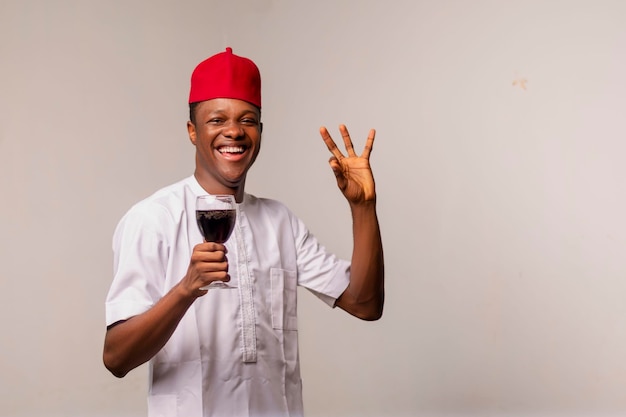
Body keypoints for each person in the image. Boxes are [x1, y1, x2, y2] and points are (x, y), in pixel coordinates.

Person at [103, 47, 384, 417]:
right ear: (192, 130)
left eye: (247, 120)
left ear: (260, 132)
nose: (234, 131)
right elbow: (116, 357)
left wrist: (363, 208)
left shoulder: (279, 221)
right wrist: (186, 290)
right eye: (217, 120)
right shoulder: (153, 218)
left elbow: (365, 304)